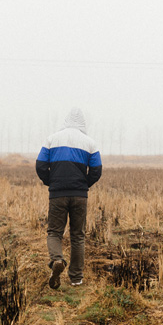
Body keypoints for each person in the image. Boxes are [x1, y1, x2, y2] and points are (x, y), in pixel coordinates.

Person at [35, 107, 102, 288]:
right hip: (79, 195)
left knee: (54, 232)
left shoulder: (52, 139)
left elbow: (40, 165)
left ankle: (57, 259)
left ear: (66, 121)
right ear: (83, 123)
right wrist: (84, 184)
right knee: (78, 235)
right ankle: (76, 278)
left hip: (57, 194)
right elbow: (97, 170)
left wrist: (51, 182)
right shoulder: (90, 143)